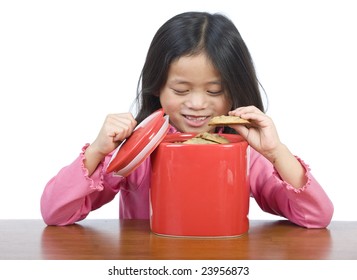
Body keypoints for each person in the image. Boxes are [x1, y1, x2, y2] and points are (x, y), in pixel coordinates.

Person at [40, 11, 333, 228]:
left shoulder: (244, 152)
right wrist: (97, 151)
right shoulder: (138, 152)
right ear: (157, 87)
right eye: (181, 90)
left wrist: (275, 151)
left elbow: (317, 216)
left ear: (235, 91)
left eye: (214, 90)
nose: (196, 104)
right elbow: (55, 213)